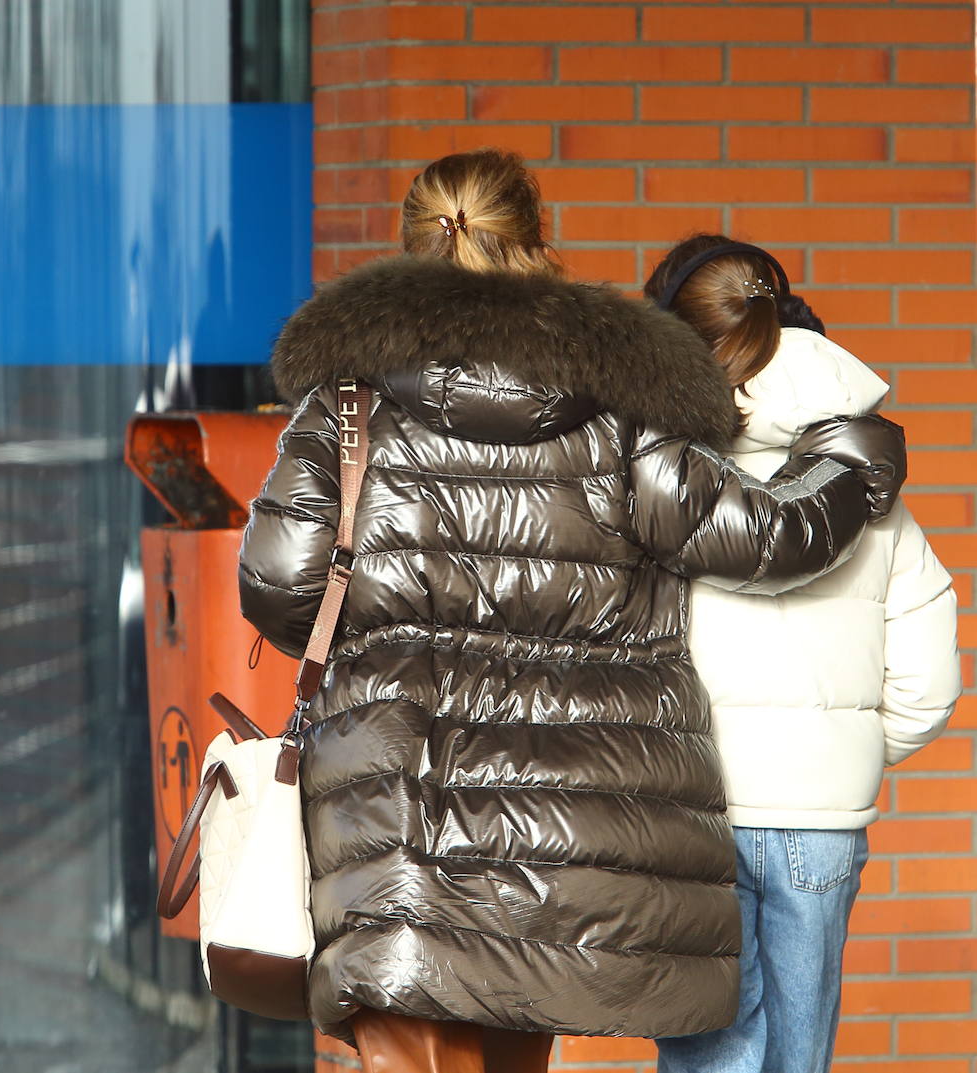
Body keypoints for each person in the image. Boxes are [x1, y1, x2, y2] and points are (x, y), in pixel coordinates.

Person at [236, 149, 908, 1073]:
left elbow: (278, 584)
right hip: (561, 835)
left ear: (409, 246)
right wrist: (849, 460)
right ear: (535, 241)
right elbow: (760, 538)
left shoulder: (345, 407)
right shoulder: (620, 404)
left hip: (398, 800)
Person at [645, 235, 961, 1073]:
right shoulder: (874, 492)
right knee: (799, 1058)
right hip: (819, 821)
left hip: (693, 809)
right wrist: (847, 748)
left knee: (710, 1057)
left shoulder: (664, 488)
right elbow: (931, 674)